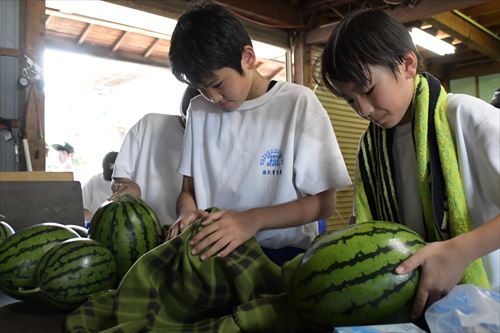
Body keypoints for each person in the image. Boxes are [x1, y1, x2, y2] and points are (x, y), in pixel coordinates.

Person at [319, 8, 500, 319]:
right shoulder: (370, 146)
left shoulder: (468, 118)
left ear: (407, 64)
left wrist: (460, 250)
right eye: (350, 100)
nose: (362, 109)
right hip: (428, 312)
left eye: (368, 91)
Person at [166, 1, 351, 266]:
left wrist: (253, 219)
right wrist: (186, 213)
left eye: (217, 84)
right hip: (216, 259)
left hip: (284, 258)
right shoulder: (198, 110)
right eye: (202, 89)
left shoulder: (298, 103)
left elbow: (324, 204)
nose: (213, 97)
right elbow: (187, 191)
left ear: (248, 57)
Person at [110, 87, 200, 226]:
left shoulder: (213, 143)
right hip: (139, 227)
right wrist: (129, 186)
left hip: (183, 233)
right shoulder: (149, 124)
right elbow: (121, 175)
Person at [82, 151, 117, 222]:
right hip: (95, 225)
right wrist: (99, 222)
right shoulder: (93, 181)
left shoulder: (131, 185)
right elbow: (82, 209)